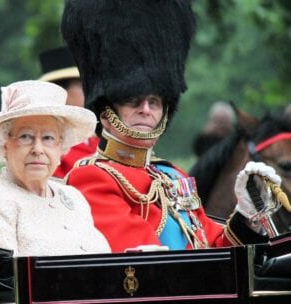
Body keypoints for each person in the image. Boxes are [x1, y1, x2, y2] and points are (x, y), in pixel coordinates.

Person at [62, 0, 282, 252]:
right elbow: (152, 268)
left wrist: (246, 218)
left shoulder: (174, 176)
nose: (145, 109)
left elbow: (215, 247)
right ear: (105, 112)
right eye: (132, 100)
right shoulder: (92, 177)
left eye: (154, 102)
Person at [0, 80, 111, 256]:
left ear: (61, 146)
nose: (38, 149)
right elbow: (2, 280)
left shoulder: (73, 198)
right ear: (4, 144)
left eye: (48, 138)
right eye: (25, 136)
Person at [38, 46, 99, 178]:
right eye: (83, 86)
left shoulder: (96, 139)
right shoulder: (46, 144)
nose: (90, 92)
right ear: (62, 92)